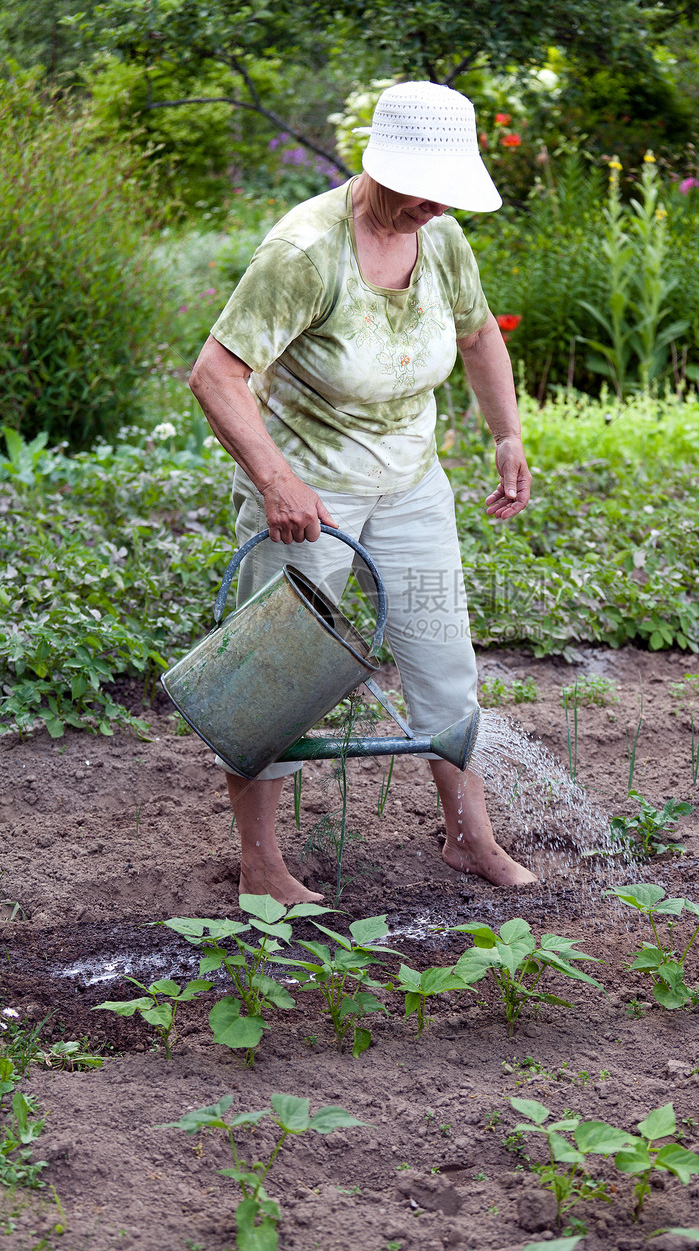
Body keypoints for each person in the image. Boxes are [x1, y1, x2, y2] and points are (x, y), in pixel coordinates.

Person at [189, 81, 537, 904]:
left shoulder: (442, 239)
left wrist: (508, 433)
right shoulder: (306, 252)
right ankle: (263, 869)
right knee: (272, 681)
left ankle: (469, 839)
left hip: (412, 486)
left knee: (447, 669)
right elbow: (216, 374)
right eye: (425, 190)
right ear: (381, 167)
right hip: (313, 500)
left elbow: (479, 331)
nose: (436, 208)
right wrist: (277, 479)